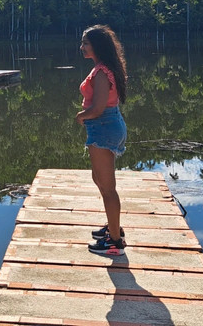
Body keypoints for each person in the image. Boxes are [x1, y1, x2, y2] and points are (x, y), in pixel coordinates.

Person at [75, 24, 128, 256]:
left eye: (86, 43)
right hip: (104, 125)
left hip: (103, 126)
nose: (82, 47)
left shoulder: (101, 73)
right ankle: (113, 228)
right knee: (99, 179)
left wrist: (81, 116)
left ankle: (114, 242)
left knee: (108, 189)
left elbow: (97, 109)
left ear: (97, 45)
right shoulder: (103, 69)